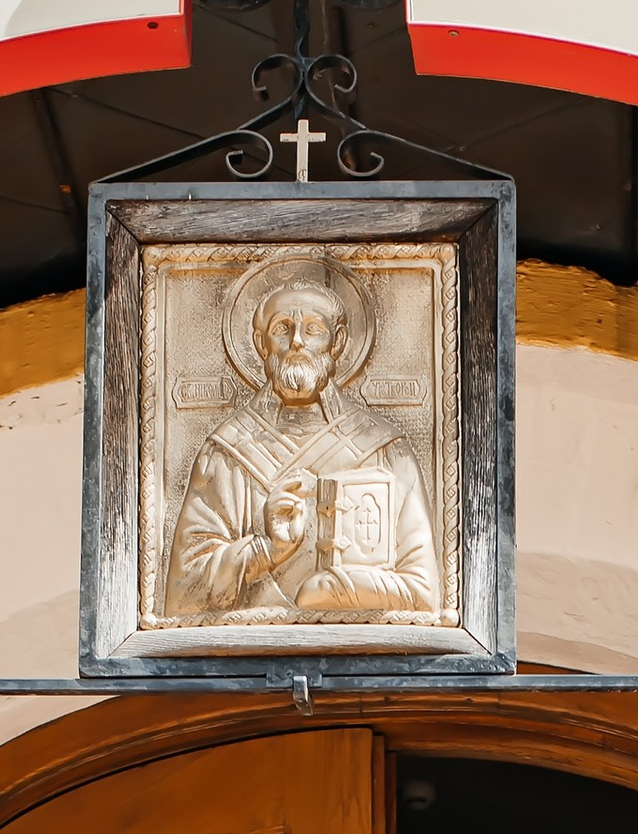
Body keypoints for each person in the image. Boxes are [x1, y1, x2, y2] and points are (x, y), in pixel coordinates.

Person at [161, 258, 444, 621]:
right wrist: (266, 550)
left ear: (337, 343)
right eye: (282, 328)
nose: (296, 341)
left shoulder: (386, 451)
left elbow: (423, 593)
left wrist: (328, 590)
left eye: (312, 329)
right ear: (261, 344)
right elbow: (184, 594)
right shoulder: (226, 454)